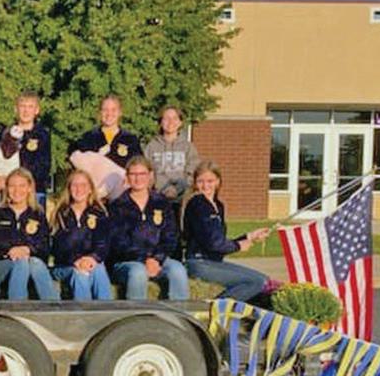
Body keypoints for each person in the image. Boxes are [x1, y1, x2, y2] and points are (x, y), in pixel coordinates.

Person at [182, 161, 271, 301]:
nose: (205, 186)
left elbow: (219, 242)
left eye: (210, 181)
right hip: (199, 263)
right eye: (200, 181)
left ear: (218, 182)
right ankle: (215, 310)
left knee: (265, 280)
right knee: (256, 282)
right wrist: (238, 246)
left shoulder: (218, 206)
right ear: (194, 183)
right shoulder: (198, 204)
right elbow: (213, 243)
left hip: (214, 262)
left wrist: (250, 236)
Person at [108, 156, 189, 300]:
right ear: (127, 176)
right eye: (133, 174)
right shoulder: (118, 206)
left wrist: (156, 259)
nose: (138, 178)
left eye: (142, 174)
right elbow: (118, 243)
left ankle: (178, 312)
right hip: (127, 263)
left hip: (157, 261)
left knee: (178, 270)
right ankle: (138, 313)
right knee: (138, 273)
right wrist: (143, 259)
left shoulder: (161, 203)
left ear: (150, 175)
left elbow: (170, 236)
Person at [0, 168, 57, 301]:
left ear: (30, 188)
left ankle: (53, 307)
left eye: (22, 186)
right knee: (22, 262)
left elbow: (44, 246)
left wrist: (28, 249)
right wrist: (10, 250)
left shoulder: (38, 214)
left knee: (33, 262)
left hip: (32, 266)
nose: (17, 190)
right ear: (6, 188)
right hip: (2, 264)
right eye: (12, 186)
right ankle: (17, 305)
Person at [50, 169, 113, 300]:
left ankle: (106, 309)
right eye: (75, 185)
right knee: (81, 274)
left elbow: (103, 244)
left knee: (99, 269)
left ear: (90, 189)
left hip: (91, 263)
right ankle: (84, 312)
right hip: (65, 266)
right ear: (69, 189)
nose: (79, 189)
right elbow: (57, 247)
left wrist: (92, 258)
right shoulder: (60, 214)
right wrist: (76, 261)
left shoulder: (99, 213)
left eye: (83, 185)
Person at [0, 91, 52, 205]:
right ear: (16, 109)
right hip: (8, 192)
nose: (26, 111)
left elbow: (43, 167)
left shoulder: (43, 135)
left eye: (30, 107)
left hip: (34, 192)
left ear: (37, 110)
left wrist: (20, 181)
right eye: (22, 106)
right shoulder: (5, 134)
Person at [69, 94, 143, 169]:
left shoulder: (130, 140)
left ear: (120, 112)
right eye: (105, 110)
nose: (109, 114)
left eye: (113, 110)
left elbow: (139, 167)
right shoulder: (88, 138)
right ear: (99, 112)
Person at [144, 106, 200, 202]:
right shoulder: (151, 146)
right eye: (166, 118)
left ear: (180, 122)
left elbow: (193, 173)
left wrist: (177, 189)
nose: (170, 122)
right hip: (157, 198)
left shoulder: (188, 147)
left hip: (183, 199)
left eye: (174, 118)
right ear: (161, 122)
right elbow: (146, 173)